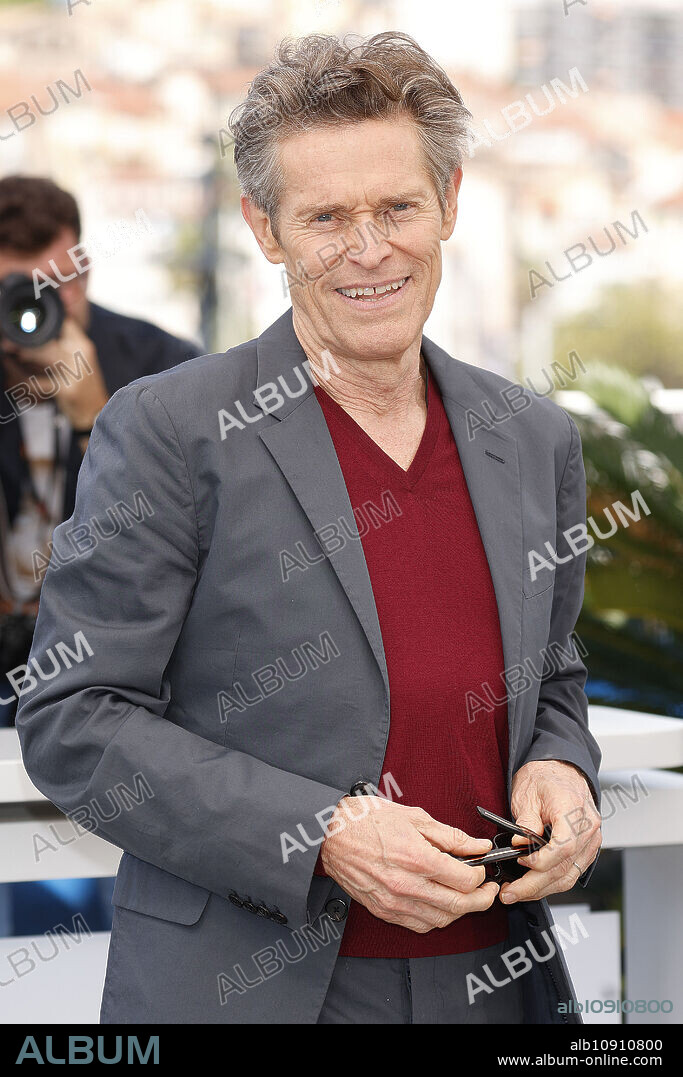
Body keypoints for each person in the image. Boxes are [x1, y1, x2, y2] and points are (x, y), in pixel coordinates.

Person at [15, 33, 602, 1024]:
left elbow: (549, 679)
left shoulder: (533, 438)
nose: (367, 249)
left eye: (397, 208)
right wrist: (319, 833)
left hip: (500, 983)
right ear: (263, 226)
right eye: (324, 216)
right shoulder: (167, 429)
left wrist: (558, 763)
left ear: (449, 202)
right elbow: (74, 721)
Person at [0, 175, 201, 724]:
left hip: (119, 666)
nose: (37, 311)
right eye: (17, 293)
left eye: (56, 285)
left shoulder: (162, 366)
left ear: (84, 272)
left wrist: (96, 415)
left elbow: (186, 538)